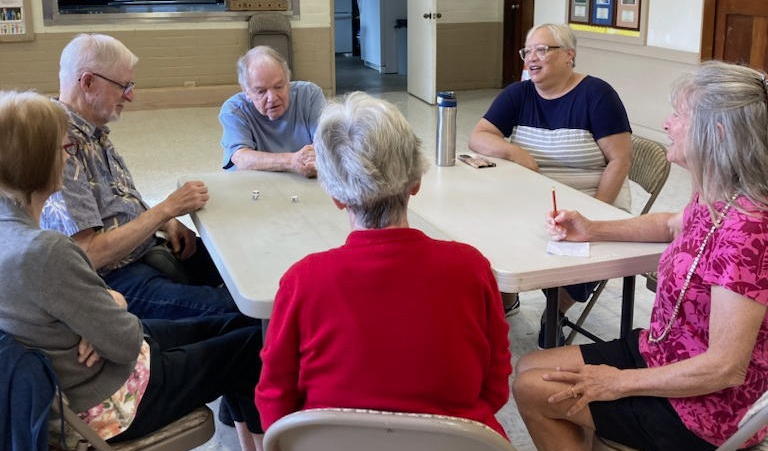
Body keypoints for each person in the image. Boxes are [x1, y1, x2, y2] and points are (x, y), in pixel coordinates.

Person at [513, 60, 768, 451]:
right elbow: (669, 224)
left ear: (714, 134)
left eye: (679, 115)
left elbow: (725, 368)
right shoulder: (719, 192)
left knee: (536, 390)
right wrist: (592, 228)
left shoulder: (748, 231)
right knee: (530, 365)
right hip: (665, 351)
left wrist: (618, 382)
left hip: (708, 409)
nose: (667, 123)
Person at [0, 90, 265, 451]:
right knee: (255, 344)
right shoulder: (45, 251)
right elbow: (124, 341)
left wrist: (95, 315)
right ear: (38, 160)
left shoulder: (13, 234)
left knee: (235, 326)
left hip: (85, 372)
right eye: (65, 150)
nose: (70, 158)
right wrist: (112, 307)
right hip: (108, 400)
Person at [255, 92, 512, 437]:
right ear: (416, 182)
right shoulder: (470, 267)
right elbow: (495, 387)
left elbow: (275, 401)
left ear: (334, 195)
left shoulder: (303, 280)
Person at [40, 33, 238, 320]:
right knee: (238, 311)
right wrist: (164, 210)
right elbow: (88, 255)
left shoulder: (93, 130)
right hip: (113, 279)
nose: (130, 96)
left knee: (239, 269)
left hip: (143, 250)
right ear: (87, 82)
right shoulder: (60, 146)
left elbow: (118, 198)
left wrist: (167, 222)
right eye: (123, 86)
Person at [468, 23, 633, 345]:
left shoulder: (597, 95)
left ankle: (556, 310)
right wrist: (513, 150)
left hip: (594, 198)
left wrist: (595, 214)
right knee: (486, 233)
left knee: (584, 253)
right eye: (527, 51)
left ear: (569, 55)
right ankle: (507, 298)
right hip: (531, 200)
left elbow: (620, 161)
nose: (532, 58)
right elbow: (478, 136)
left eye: (542, 49)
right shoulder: (519, 93)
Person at [219, 45, 326, 176]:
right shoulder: (234, 110)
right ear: (246, 91)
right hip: (256, 183)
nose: (272, 98)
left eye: (279, 87)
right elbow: (240, 158)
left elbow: (326, 143)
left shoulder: (310, 95)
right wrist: (292, 161)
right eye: (261, 91)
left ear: (288, 81)